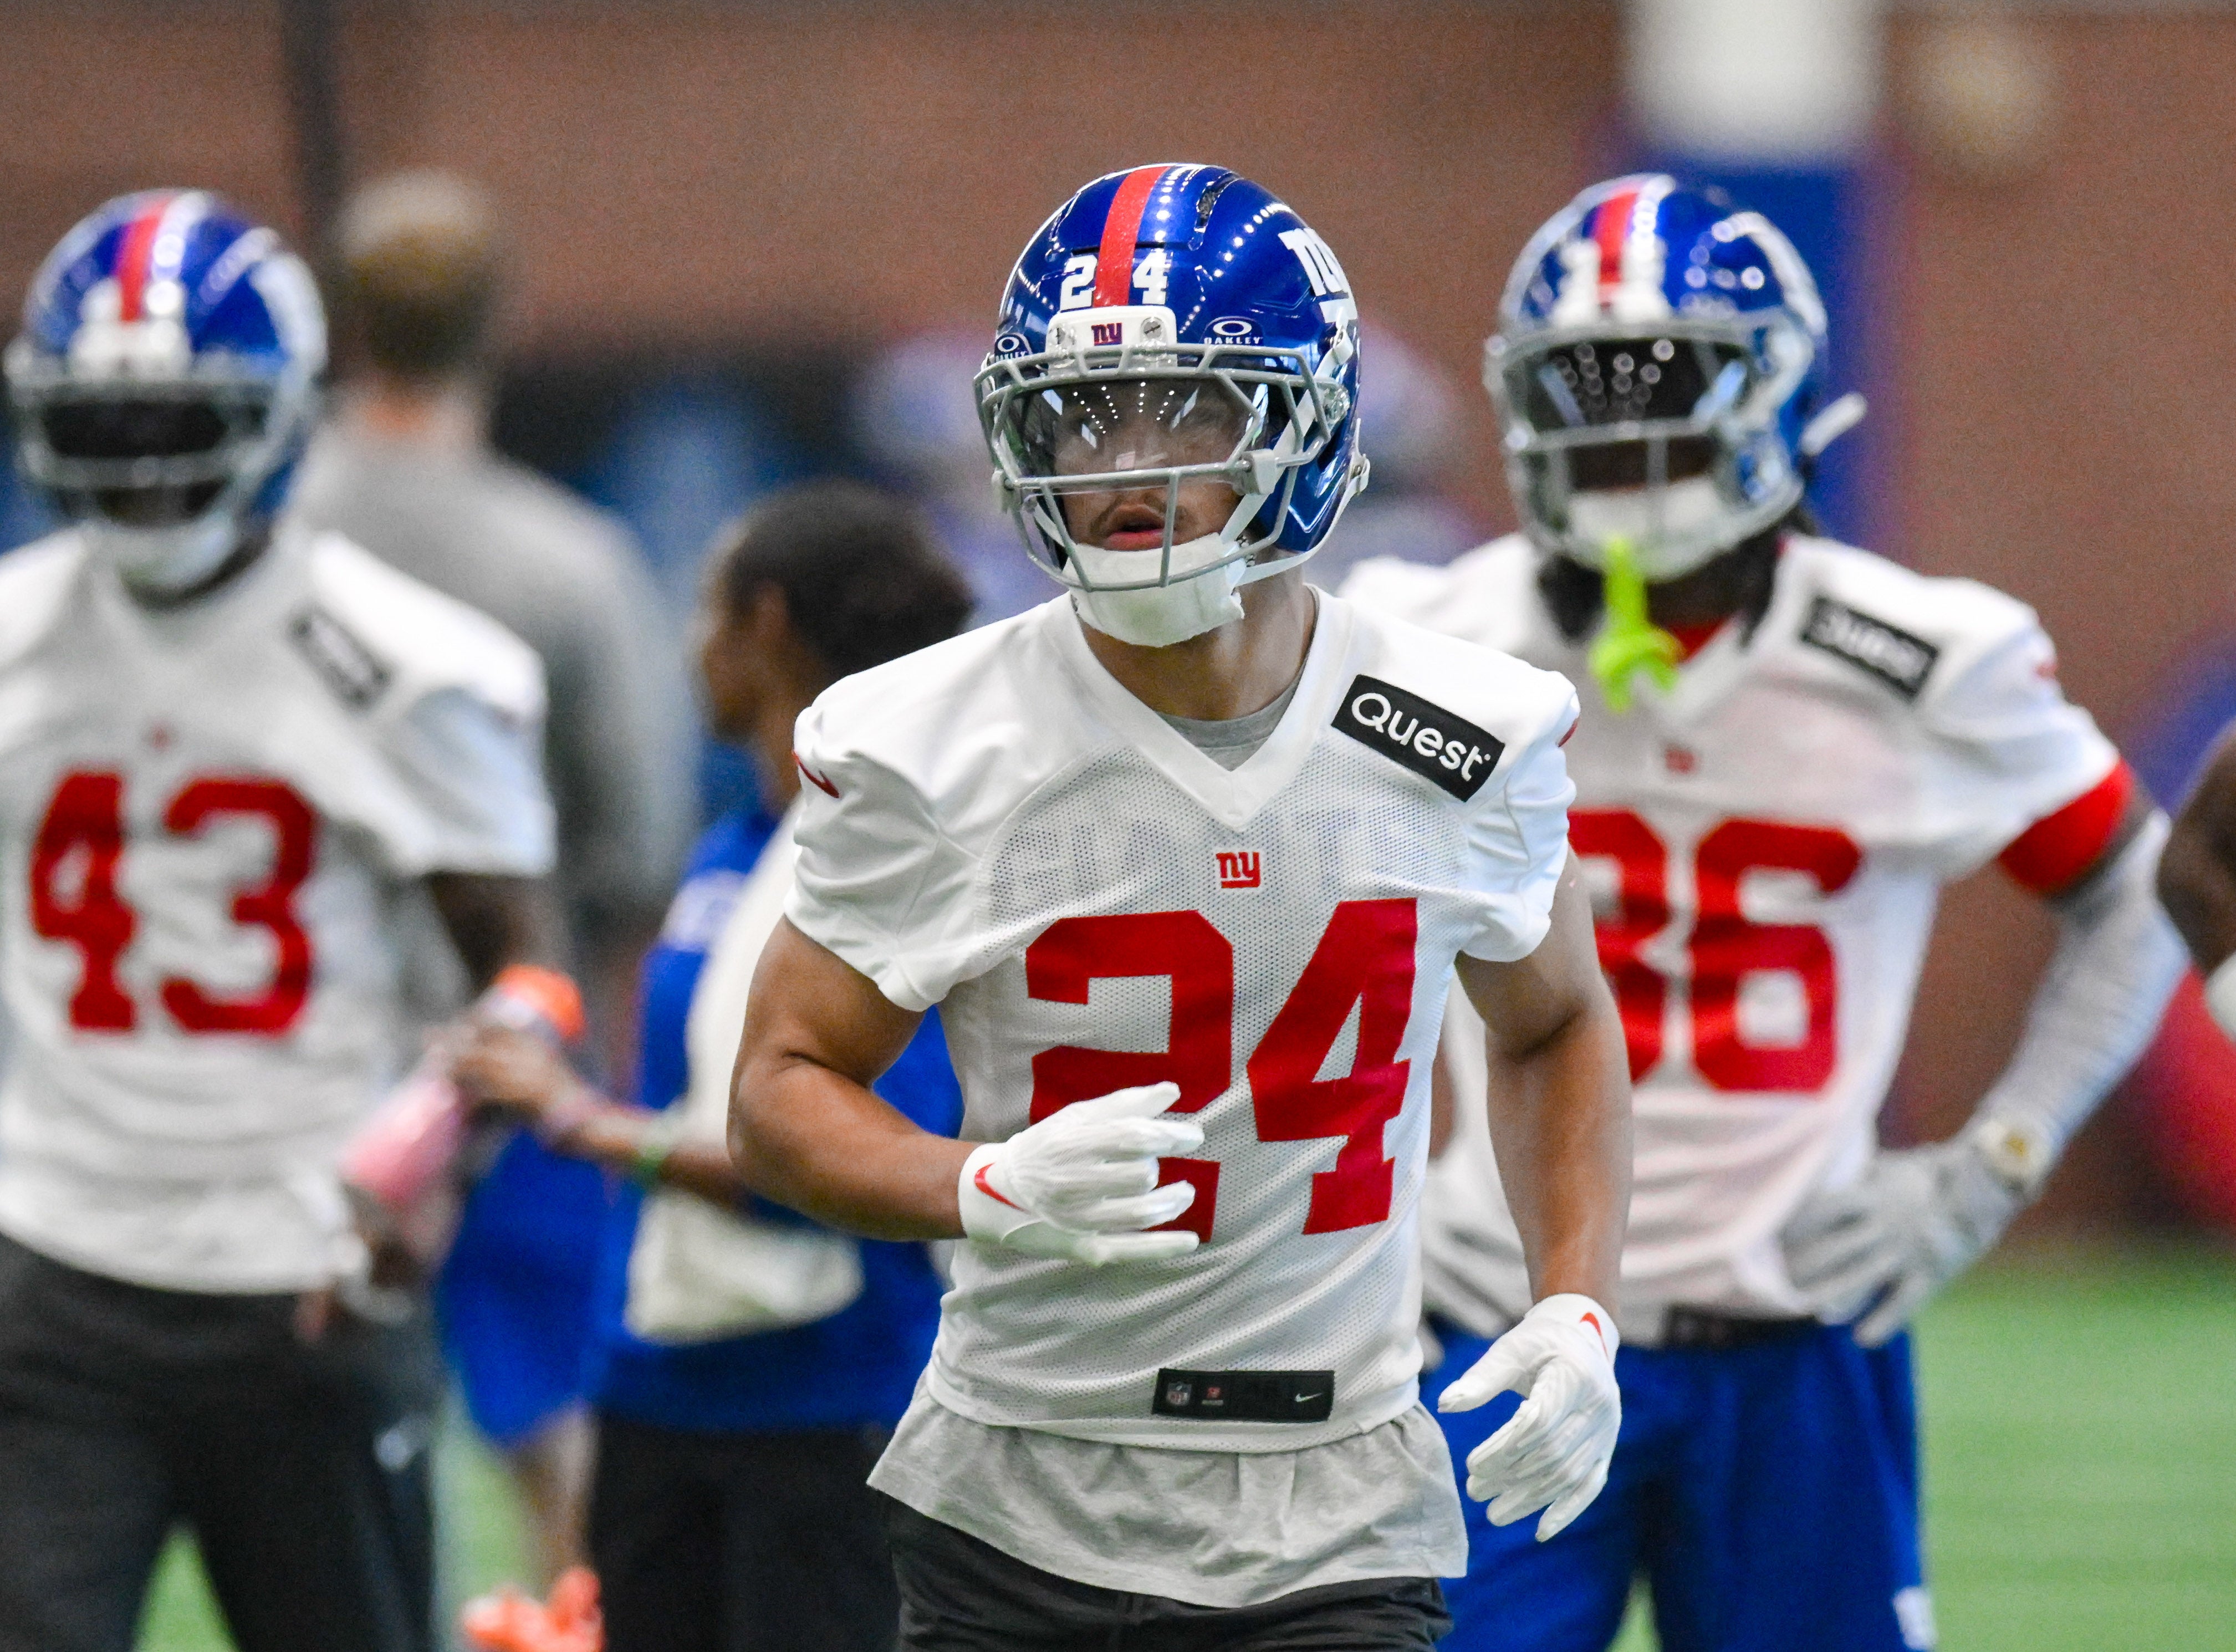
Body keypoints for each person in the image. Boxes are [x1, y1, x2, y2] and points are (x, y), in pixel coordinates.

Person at [728, 164, 1634, 1652]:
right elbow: (778, 1087)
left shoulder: (1459, 727)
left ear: (1309, 426)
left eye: (1187, 411)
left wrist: (1577, 1303)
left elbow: (1553, 1022)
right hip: (1019, 1494)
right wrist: (978, 1184)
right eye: (1087, 418)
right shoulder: (932, 735)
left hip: (1337, 1496)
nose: (1129, 468)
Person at [1342, 175, 2186, 1652]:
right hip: (1492, 1317)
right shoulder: (1427, 639)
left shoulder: (1917, 659)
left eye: (1661, 382)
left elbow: (2144, 887)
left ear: (1777, 390)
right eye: (1581, 392)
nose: (1618, 432)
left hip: (1788, 1331)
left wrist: (1998, 1156)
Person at [0, 191, 562, 1652]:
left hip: (306, 1270)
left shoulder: (406, 666)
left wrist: (435, 1153)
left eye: (174, 421)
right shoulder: (14, 635)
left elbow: (527, 967)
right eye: (104, 425)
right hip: (51, 1262)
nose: (137, 463)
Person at [451, 482, 974, 1652]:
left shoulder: (898, 856)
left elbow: (864, 1156)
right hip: (660, 1392)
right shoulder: (737, 836)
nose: (693, 646)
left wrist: (585, 1120)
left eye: (707, 609)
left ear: (769, 624)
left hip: (823, 1406)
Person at [292, 170, 697, 1577]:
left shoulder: (265, 548)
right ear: (504, 324)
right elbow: (639, 847)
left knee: (297, 1456)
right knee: (564, 1449)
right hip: (518, 1061)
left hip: (291, 1056)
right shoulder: (569, 565)